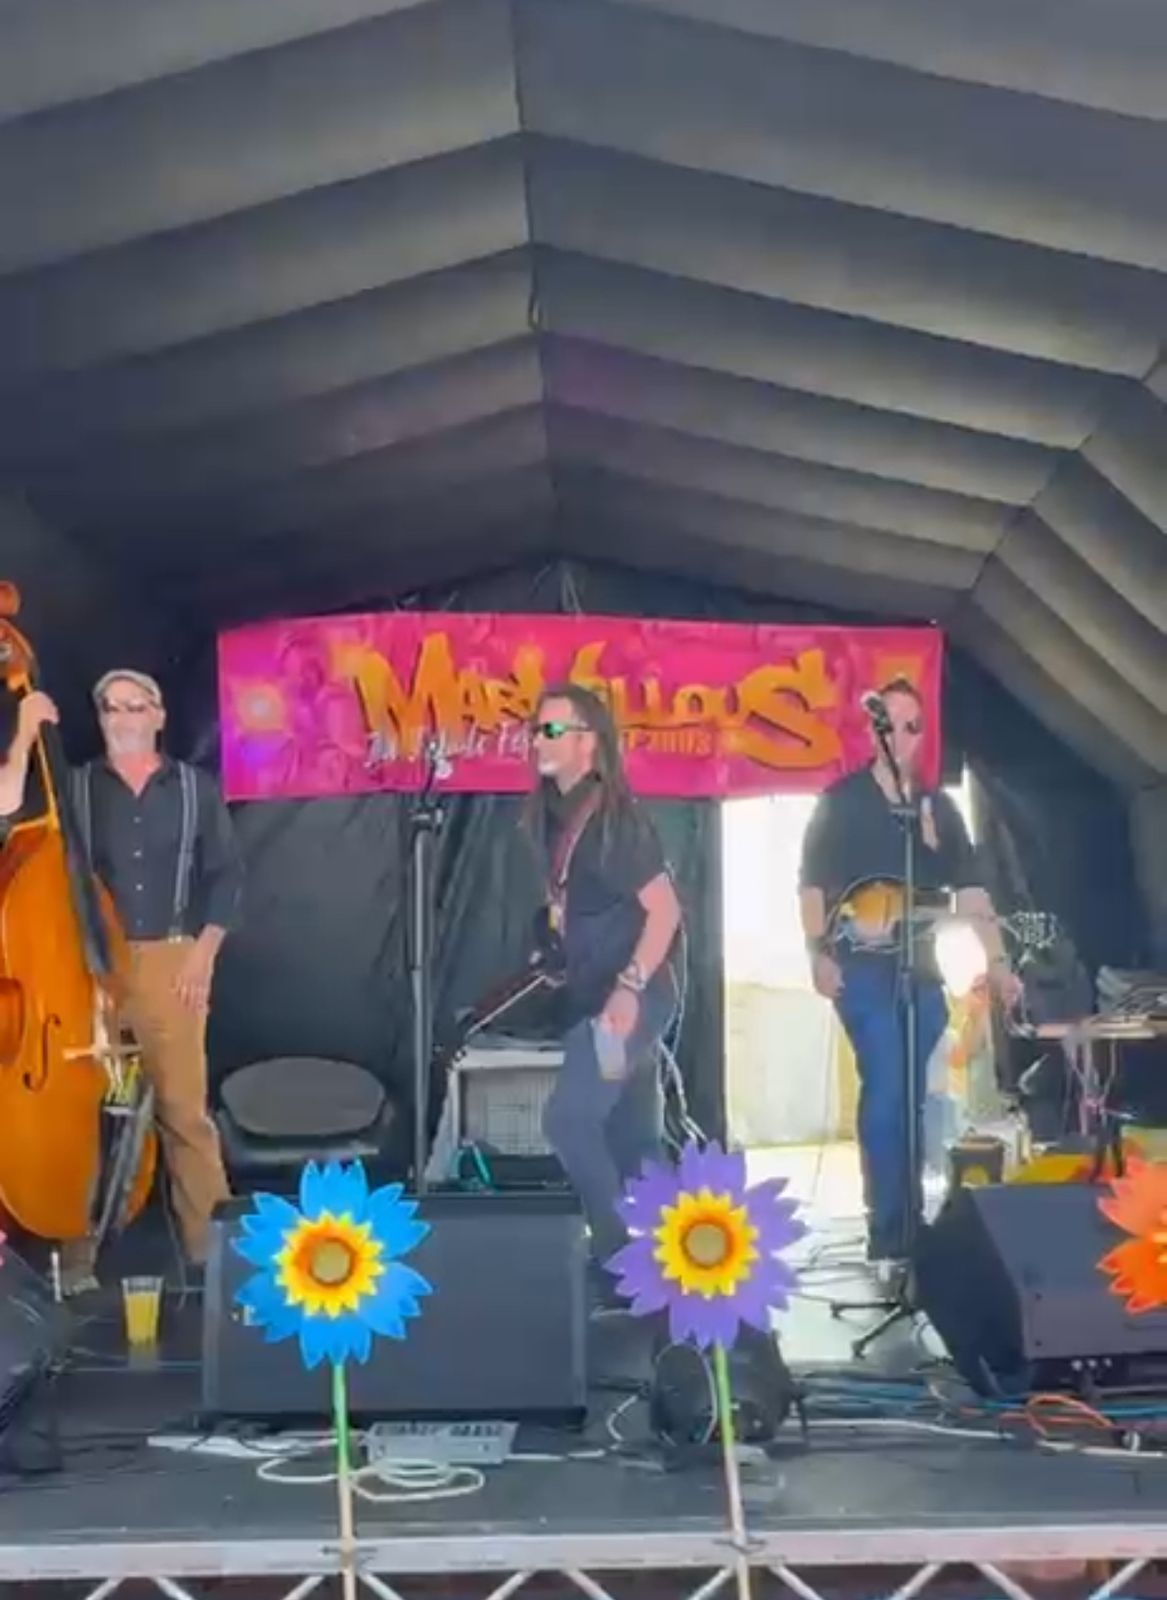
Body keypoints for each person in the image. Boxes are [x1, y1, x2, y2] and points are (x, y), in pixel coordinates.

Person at [0, 674, 242, 1293]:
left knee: (184, 1115)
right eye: (112, 708)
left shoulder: (194, 789)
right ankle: (77, 1261)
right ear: (100, 717)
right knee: (83, 1115)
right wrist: (25, 733)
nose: (125, 717)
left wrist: (203, 956)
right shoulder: (74, 787)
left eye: (137, 706)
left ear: (159, 716)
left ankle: (212, 1260)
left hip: (171, 961)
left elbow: (226, 877)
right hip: (87, 967)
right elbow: (5, 805)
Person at [798, 677, 1021, 1271]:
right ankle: (889, 1231)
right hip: (860, 969)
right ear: (872, 732)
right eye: (889, 724)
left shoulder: (938, 809)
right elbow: (812, 886)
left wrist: (998, 961)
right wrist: (817, 952)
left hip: (920, 969)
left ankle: (912, 1228)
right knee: (888, 1087)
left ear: (923, 736)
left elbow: (971, 891)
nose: (899, 736)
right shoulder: (841, 802)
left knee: (914, 1098)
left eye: (912, 726)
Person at [525, 684, 682, 1278]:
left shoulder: (616, 821)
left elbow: (665, 911)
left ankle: (619, 1259)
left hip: (628, 1001)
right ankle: (677, 1263)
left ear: (588, 742)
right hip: (600, 998)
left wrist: (629, 987)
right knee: (633, 1134)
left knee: (569, 1119)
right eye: (537, 730)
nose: (539, 741)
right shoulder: (562, 817)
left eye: (553, 730)